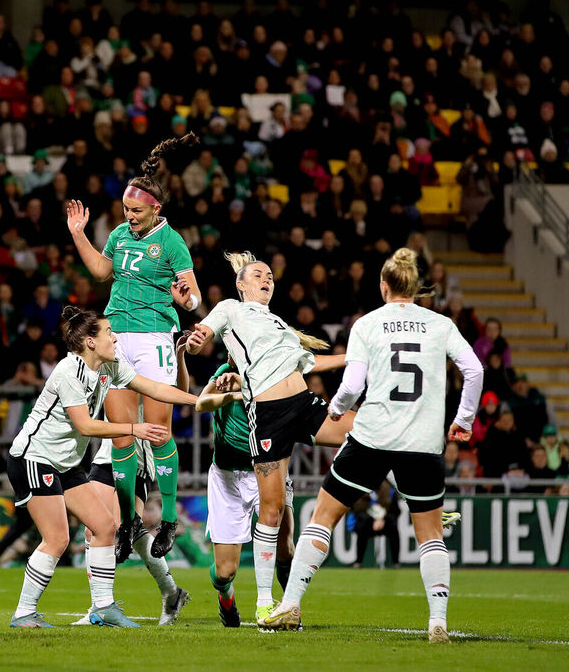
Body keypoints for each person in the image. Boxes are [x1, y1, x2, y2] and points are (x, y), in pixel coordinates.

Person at [259, 248, 484, 644]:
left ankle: (291, 604)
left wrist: (337, 409)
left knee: (324, 517)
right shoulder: (440, 324)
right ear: (415, 286)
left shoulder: (368, 324)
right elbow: (475, 369)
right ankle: (438, 622)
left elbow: (352, 385)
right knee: (430, 534)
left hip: (373, 436)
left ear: (383, 286)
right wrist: (463, 420)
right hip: (422, 440)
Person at [6, 307, 230, 629]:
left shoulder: (109, 367)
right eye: (108, 332)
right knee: (57, 539)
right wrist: (133, 429)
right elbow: (84, 425)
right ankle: (24, 613)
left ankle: (104, 607)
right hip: (34, 458)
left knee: (106, 527)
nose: (114, 337)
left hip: (66, 463)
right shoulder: (68, 371)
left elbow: (152, 387)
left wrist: (195, 402)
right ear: (89, 342)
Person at [183, 251, 349, 628]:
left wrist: (355, 356)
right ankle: (244, 600)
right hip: (242, 453)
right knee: (226, 568)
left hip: (301, 405)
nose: (267, 278)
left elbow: (307, 362)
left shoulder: (277, 325)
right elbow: (202, 347)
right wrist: (194, 343)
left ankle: (282, 607)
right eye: (258, 274)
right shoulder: (229, 313)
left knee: (364, 428)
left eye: (270, 275)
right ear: (240, 285)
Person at [66, 133, 203, 562]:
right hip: (117, 339)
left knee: (158, 431)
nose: (130, 217)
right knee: (125, 436)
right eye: (126, 209)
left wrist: (188, 301)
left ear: (156, 208)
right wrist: (79, 234)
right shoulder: (121, 235)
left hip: (156, 337)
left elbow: (195, 297)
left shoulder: (173, 241)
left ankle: (166, 519)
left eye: (137, 211)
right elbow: (102, 273)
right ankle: (128, 519)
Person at [81, 344, 239, 626]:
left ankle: (107, 605)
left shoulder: (149, 357)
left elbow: (175, 389)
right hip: (107, 450)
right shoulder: (116, 356)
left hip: (138, 454)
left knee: (114, 525)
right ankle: (164, 593)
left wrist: (178, 357)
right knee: (97, 526)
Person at [202, 359, 295, 629]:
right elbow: (201, 403)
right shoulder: (224, 374)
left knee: (285, 549)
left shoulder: (277, 371)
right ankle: (226, 597)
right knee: (224, 572)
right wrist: (232, 392)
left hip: (267, 469)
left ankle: (290, 607)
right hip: (227, 476)